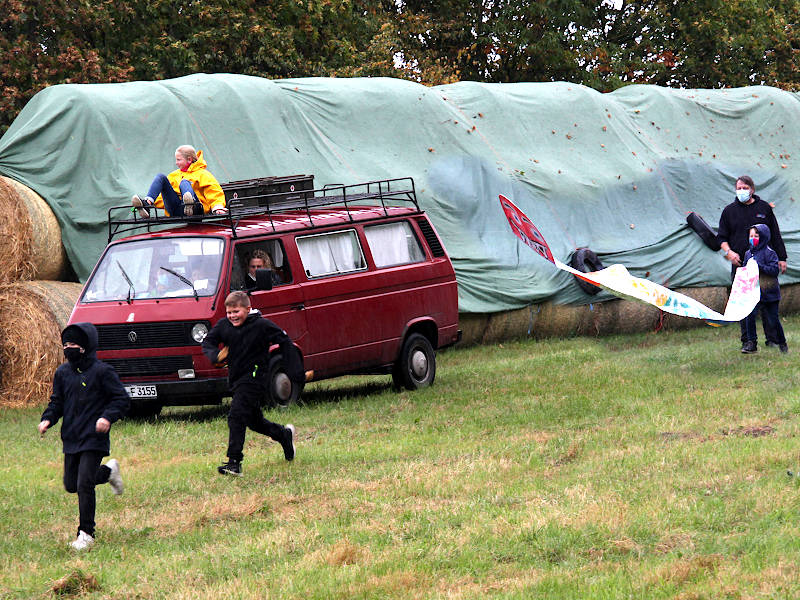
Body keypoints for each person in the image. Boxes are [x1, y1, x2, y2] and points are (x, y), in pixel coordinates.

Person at [38, 322, 130, 551]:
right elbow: (57, 401)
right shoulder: (62, 373)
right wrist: (48, 418)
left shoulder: (102, 372)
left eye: (74, 344)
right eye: (65, 344)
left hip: (94, 438)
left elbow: (121, 399)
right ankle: (109, 472)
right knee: (71, 485)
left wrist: (107, 418)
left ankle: (86, 533)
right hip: (71, 437)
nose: (69, 348)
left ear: (87, 346)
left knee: (84, 484)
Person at [201, 291, 301, 476]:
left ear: (248, 309)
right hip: (237, 379)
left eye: (236, 311)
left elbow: (284, 340)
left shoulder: (261, 325)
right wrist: (215, 356)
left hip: (255, 378)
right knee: (254, 422)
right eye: (229, 312)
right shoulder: (224, 325)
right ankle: (283, 435)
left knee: (236, 415)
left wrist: (294, 371)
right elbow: (208, 342)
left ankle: (234, 462)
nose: (232, 316)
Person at [718, 175, 787, 351]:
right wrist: (729, 253)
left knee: (767, 303)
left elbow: (776, 234)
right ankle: (748, 341)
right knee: (745, 305)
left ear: (752, 189)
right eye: (738, 188)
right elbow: (721, 238)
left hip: (764, 265)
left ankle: (772, 339)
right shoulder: (729, 211)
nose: (741, 191)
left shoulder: (764, 208)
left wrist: (782, 257)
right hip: (742, 266)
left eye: (744, 188)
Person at [131, 145, 228, 218]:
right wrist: (152, 203)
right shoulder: (173, 175)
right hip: (176, 210)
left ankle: (190, 204)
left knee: (185, 182)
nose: (176, 163)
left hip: (196, 209)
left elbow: (213, 190)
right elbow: (163, 197)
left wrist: (217, 206)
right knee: (160, 177)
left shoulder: (203, 174)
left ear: (189, 159)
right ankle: (147, 204)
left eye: (178, 160)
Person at [741, 224, 787, 354]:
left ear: (763, 237)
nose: (753, 238)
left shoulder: (770, 253)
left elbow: (774, 270)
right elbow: (746, 271)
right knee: (749, 316)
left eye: (756, 236)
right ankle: (751, 343)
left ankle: (782, 343)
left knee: (773, 321)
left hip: (770, 293)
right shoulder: (748, 254)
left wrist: (759, 266)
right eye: (751, 236)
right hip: (754, 294)